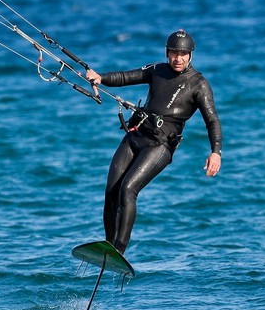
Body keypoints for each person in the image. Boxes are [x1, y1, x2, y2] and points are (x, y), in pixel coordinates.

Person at [84, 30, 221, 255]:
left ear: (190, 55)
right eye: (174, 53)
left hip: (160, 146)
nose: (178, 58)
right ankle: (108, 245)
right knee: (111, 190)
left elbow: (212, 120)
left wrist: (216, 151)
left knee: (128, 189)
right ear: (167, 53)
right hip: (136, 135)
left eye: (183, 54)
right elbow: (126, 77)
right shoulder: (157, 70)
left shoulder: (199, 84)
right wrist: (101, 78)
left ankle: (119, 250)